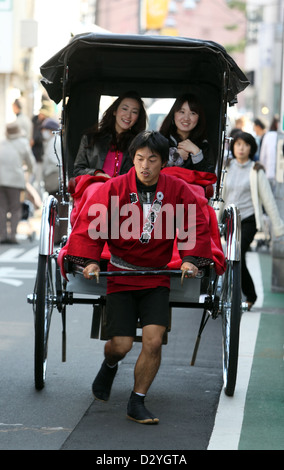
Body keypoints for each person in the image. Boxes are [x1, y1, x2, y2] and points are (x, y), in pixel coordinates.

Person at [65, 130, 213, 424]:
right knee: (120, 344)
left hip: (157, 277)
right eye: (140, 158)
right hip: (121, 273)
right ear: (133, 159)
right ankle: (110, 364)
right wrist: (91, 261)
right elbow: (91, 224)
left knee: (154, 341)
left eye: (152, 159)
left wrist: (190, 260)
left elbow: (193, 223)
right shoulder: (114, 188)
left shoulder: (176, 189)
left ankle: (137, 401)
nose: (145, 165)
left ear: (163, 161)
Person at [218, 131, 284, 310]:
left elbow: (268, 200)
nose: (241, 148)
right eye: (238, 144)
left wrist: (278, 228)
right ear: (233, 146)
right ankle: (237, 293)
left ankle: (250, 295)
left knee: (237, 253)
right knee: (233, 257)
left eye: (246, 145)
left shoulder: (256, 170)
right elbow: (219, 196)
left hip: (248, 219)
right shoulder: (226, 166)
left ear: (251, 148)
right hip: (229, 220)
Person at [73, 91, 147, 178]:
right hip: (96, 187)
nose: (128, 115)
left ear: (138, 118)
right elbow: (78, 170)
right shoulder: (91, 138)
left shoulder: (139, 144)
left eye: (134, 112)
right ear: (115, 111)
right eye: (124, 109)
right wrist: (97, 174)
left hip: (123, 189)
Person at [159, 94, 215, 173]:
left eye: (192, 113)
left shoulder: (204, 145)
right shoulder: (159, 140)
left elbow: (208, 176)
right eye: (182, 112)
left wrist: (196, 152)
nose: (186, 118)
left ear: (199, 118)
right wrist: (176, 157)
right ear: (173, 114)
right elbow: (152, 169)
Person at [0, 122, 35, 244]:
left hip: (1, 180)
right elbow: (31, 162)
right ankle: (13, 235)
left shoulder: (2, 143)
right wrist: (31, 172)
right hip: (15, 181)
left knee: (2, 207)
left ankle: (2, 235)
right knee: (15, 208)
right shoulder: (23, 143)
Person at [259, 116, 279, 192]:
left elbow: (262, 157)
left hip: (269, 174)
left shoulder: (268, 135)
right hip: (269, 174)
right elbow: (263, 157)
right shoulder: (269, 135)